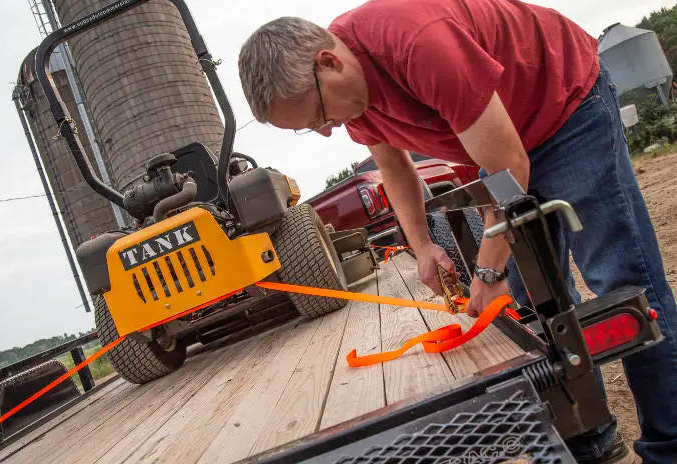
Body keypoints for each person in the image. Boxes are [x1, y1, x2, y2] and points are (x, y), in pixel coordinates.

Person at [237, 1, 677, 462]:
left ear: (329, 62)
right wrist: (422, 246)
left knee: (624, 282)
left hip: (564, 111)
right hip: (499, 150)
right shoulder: (352, 98)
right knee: (535, 300)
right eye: (312, 128)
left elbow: (508, 165)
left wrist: (487, 273)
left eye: (320, 117)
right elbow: (395, 169)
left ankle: (669, 445)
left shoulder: (416, 41)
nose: (328, 132)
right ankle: (588, 431)